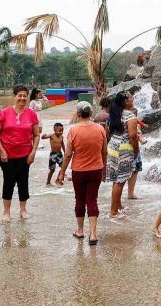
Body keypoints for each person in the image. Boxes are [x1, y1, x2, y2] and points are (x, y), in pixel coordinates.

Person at [57, 101, 107, 245]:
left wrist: (61, 173)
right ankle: (93, 234)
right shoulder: (100, 129)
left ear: (78, 114)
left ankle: (80, 231)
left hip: (79, 170)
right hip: (96, 169)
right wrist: (103, 170)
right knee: (92, 200)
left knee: (80, 200)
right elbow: (104, 151)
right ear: (91, 114)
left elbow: (67, 155)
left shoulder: (73, 131)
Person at [0, 85, 40, 222]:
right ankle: (6, 212)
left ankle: (23, 210)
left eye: (25, 95)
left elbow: (36, 135)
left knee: (23, 182)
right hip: (7, 156)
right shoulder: (4, 113)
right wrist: (2, 151)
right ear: (14, 97)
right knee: (8, 182)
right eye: (19, 95)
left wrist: (33, 153)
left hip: (25, 155)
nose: (22, 98)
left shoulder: (32, 114)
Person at [106, 91, 139, 218]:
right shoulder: (130, 116)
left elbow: (108, 132)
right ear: (125, 101)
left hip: (113, 147)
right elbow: (132, 136)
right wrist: (136, 150)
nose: (133, 99)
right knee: (120, 181)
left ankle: (118, 205)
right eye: (131, 97)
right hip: (124, 150)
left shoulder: (113, 115)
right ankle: (113, 211)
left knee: (117, 179)